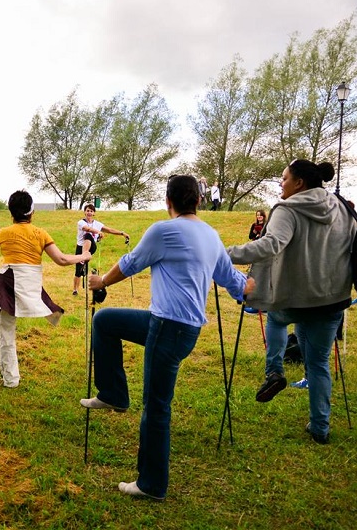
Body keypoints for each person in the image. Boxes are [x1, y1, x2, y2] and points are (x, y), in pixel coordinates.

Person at [81, 175, 252, 501]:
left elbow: (131, 264)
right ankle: (114, 393)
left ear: (168, 201)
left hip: (168, 329)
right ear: (199, 201)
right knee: (105, 321)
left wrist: (101, 280)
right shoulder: (210, 235)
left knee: (157, 407)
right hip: (179, 330)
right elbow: (231, 278)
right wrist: (248, 291)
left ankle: (152, 484)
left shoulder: (164, 230)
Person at [227, 159, 355, 445]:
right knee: (319, 364)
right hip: (334, 298)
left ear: (299, 183)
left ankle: (274, 371)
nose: (281, 184)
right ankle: (320, 427)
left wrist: (225, 253)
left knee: (275, 318)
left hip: (295, 296)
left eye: (284, 178)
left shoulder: (288, 208)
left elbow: (270, 245)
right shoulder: (342, 206)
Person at [0, 190, 91, 388]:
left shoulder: (4, 232)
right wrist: (83, 257)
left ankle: (11, 379)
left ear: (11, 213)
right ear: (31, 212)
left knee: (5, 332)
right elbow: (61, 259)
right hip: (29, 283)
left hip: (11, 284)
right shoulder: (40, 233)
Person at [72, 203, 129, 295]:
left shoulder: (97, 224)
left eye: (91, 211)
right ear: (84, 212)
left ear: (94, 213)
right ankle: (75, 290)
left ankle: (84, 256)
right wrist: (98, 232)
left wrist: (122, 233)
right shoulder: (81, 222)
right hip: (80, 247)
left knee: (88, 236)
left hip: (91, 247)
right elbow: (87, 229)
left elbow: (110, 230)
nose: (89, 213)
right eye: (87, 211)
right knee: (78, 270)